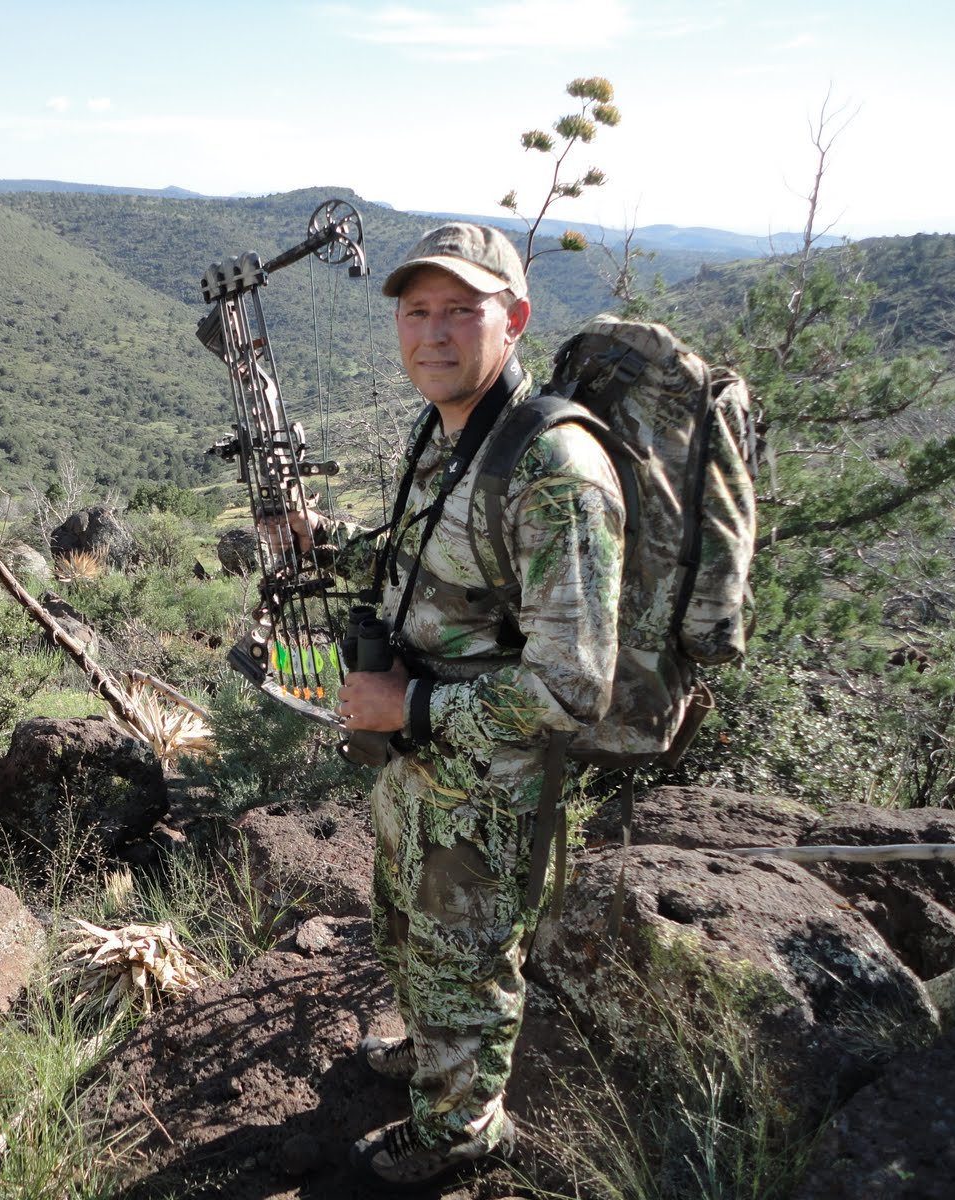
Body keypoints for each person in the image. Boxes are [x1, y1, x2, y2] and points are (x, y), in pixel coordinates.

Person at [315, 223, 626, 1189]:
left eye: (462, 311)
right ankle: (433, 1055)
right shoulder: (448, 430)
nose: (434, 334)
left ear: (516, 320)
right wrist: (321, 542)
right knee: (408, 929)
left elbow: (573, 687)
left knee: (468, 957)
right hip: (417, 764)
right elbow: (435, 570)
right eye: (417, 311)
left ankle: (459, 1132)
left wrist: (409, 708)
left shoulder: (554, 469)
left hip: (489, 784)